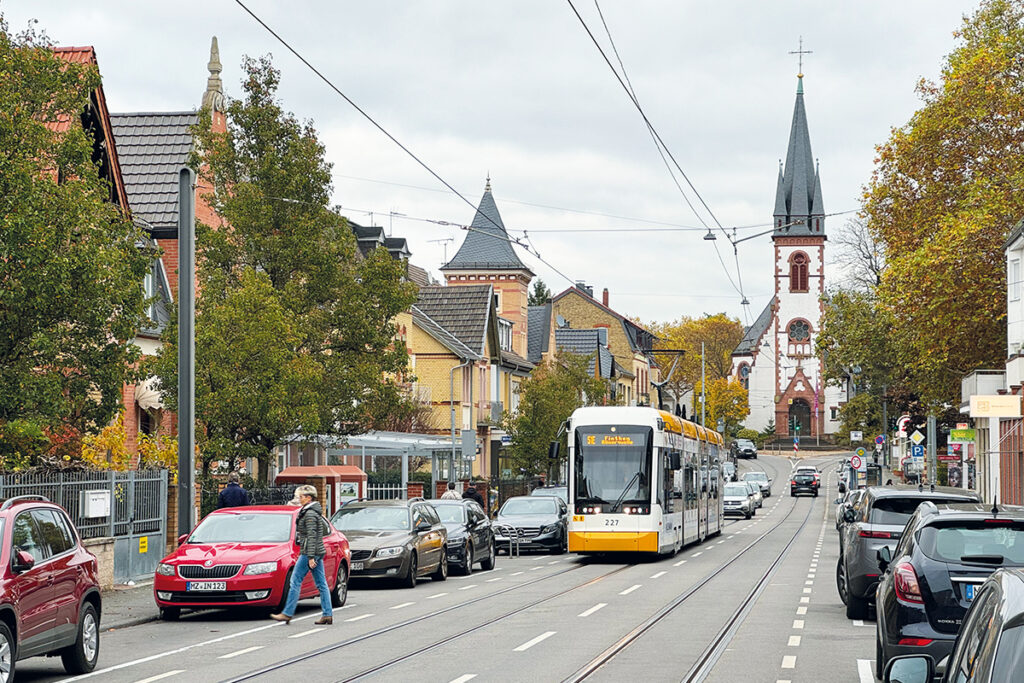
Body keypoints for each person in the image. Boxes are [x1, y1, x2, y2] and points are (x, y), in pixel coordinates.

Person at [271, 485, 333, 625]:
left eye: (301, 497)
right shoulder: (313, 511)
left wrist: (310, 557)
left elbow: (311, 536)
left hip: (309, 552)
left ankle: (287, 613)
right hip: (316, 551)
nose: (299, 499)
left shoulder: (310, 513)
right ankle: (327, 614)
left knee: (295, 580)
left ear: (309, 498)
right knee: (321, 584)